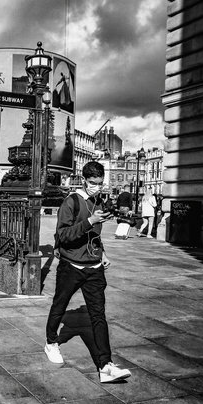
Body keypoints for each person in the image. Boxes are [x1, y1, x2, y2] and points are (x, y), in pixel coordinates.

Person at [44, 161, 131, 383]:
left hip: (93, 267)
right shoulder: (71, 202)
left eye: (100, 183)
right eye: (93, 183)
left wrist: (102, 253)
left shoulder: (98, 201)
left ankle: (105, 365)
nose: (97, 187)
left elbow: (95, 235)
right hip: (71, 265)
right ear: (84, 180)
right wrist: (90, 220)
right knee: (59, 305)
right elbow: (63, 235)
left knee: (98, 315)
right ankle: (51, 342)